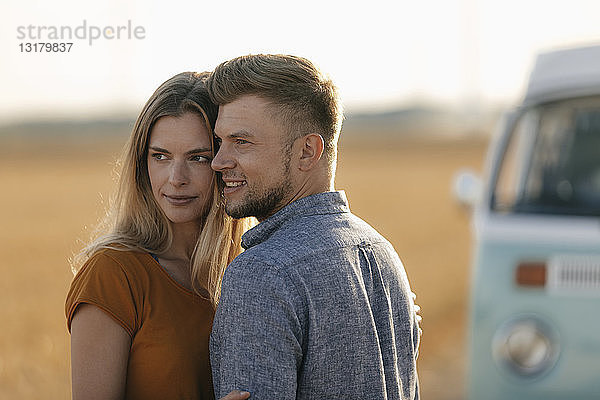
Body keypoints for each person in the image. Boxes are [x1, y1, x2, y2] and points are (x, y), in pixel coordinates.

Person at [208, 55, 421, 399]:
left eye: (241, 142)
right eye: (220, 141)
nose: (219, 161)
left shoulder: (263, 273)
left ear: (307, 151)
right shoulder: (382, 252)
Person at [65, 72, 252, 400]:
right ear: (142, 164)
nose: (176, 178)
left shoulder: (248, 270)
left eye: (198, 158)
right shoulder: (113, 275)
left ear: (224, 163)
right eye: (161, 156)